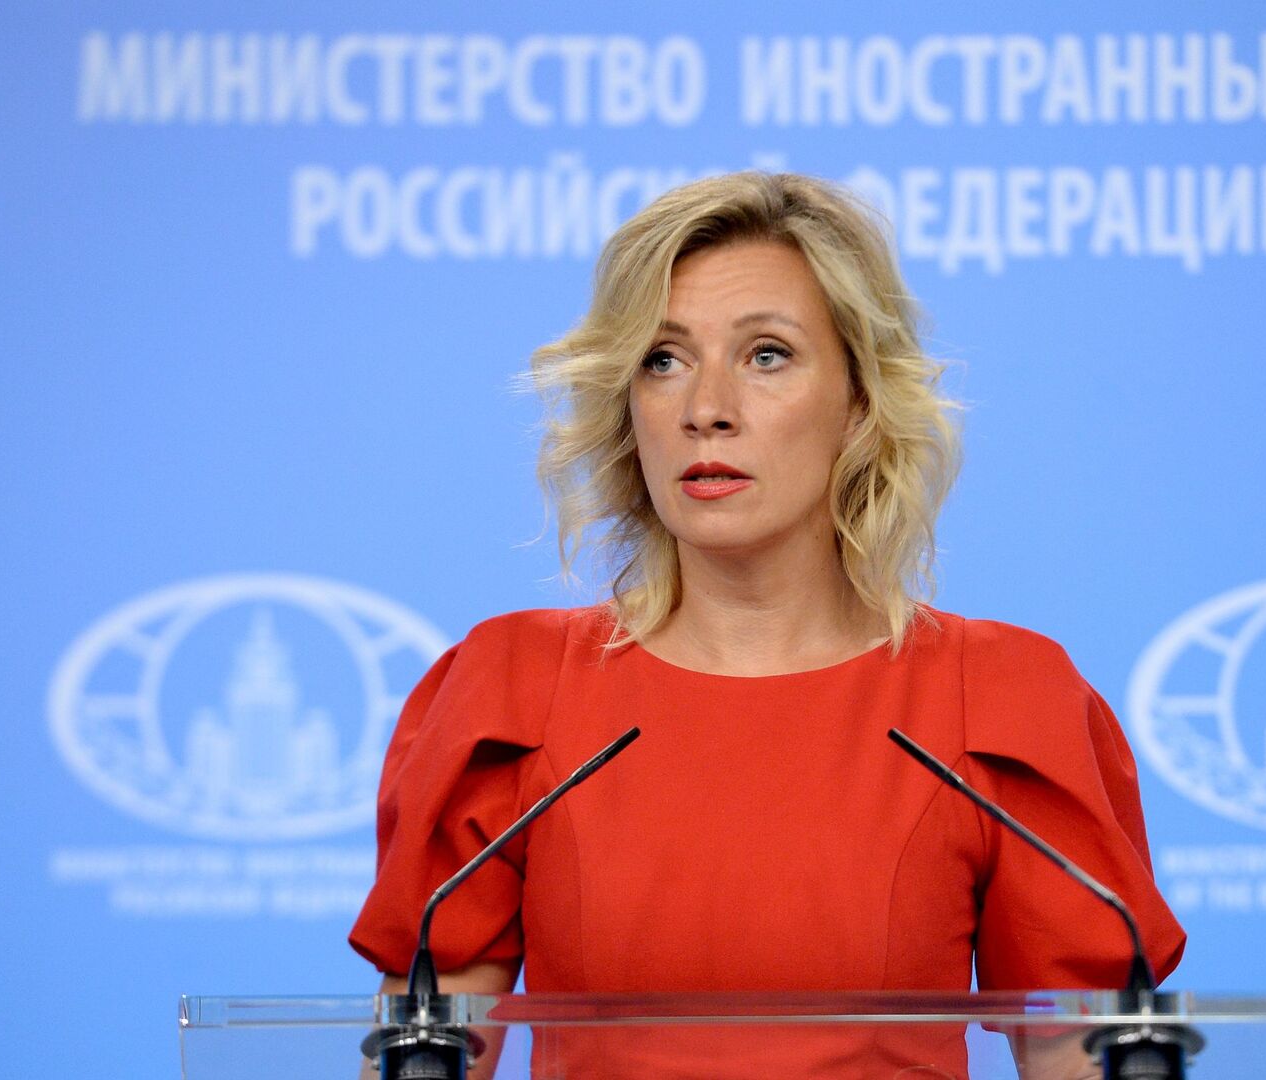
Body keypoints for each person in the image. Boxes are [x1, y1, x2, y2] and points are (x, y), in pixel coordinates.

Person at [350, 171, 1185, 1079]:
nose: (705, 408)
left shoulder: (997, 697)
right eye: (663, 360)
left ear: (860, 400)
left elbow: (1080, 1061)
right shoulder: (514, 690)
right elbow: (425, 1057)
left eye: (767, 355)